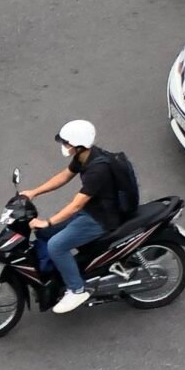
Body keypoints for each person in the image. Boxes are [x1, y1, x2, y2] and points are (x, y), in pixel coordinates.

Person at [21, 120, 119, 314]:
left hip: (100, 219)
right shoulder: (84, 156)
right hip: (91, 211)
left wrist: (48, 221)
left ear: (78, 144)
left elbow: (77, 205)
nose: (64, 146)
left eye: (66, 143)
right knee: (44, 234)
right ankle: (56, 273)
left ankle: (77, 289)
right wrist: (34, 192)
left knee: (56, 245)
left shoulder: (98, 169)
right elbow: (64, 176)